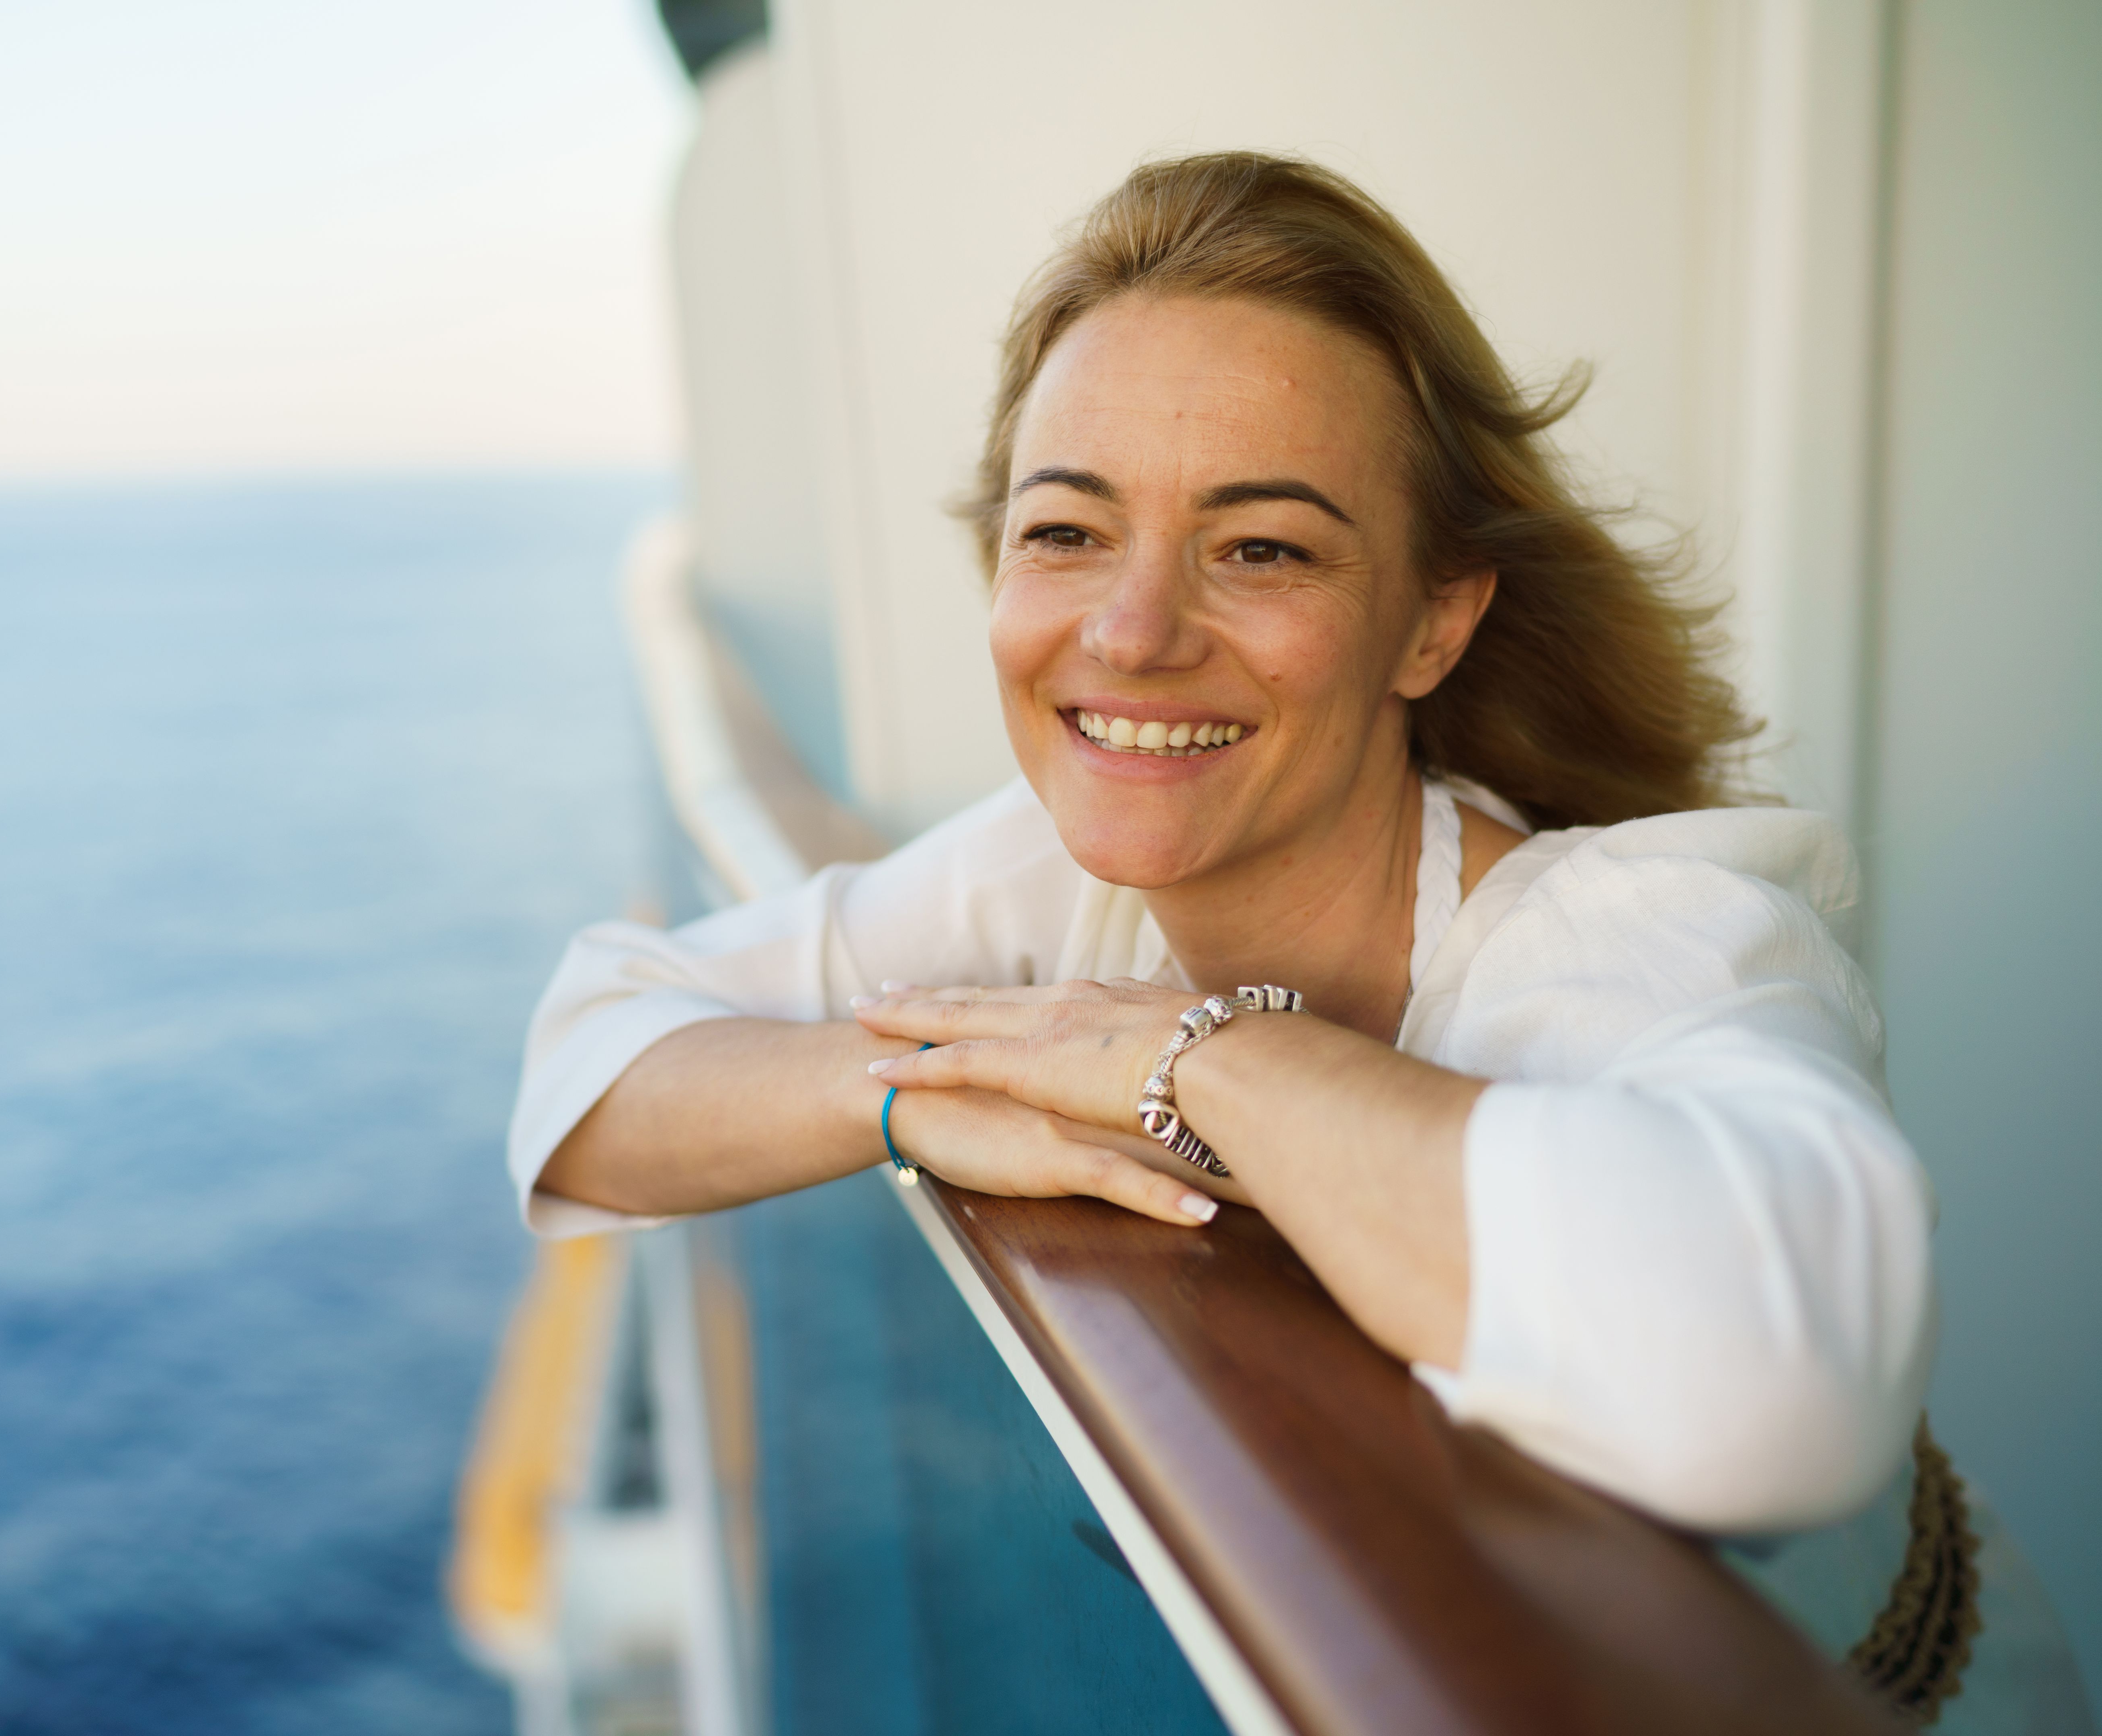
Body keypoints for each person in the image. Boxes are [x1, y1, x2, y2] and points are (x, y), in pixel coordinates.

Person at [509, 153, 2091, 1730]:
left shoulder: (1637, 935)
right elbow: (590, 1052)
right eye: (1066, 532)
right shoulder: (1053, 874)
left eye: (1260, 548)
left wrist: (1196, 1060)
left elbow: (1778, 1385)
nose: (1133, 632)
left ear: (1434, 620)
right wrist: (905, 1098)